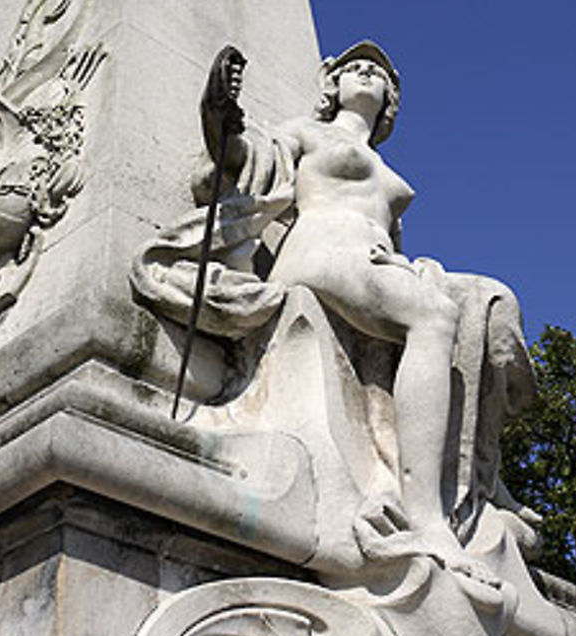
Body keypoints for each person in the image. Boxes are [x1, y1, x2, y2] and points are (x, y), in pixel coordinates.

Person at [132, 43, 535, 575]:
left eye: (380, 72)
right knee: (433, 316)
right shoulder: (308, 132)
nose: (367, 72)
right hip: (321, 250)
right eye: (354, 68)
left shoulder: (384, 164)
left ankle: (473, 483)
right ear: (332, 85)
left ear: (391, 99)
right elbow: (243, 156)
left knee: (491, 301)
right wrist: (218, 110)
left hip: (373, 261)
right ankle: (428, 518)